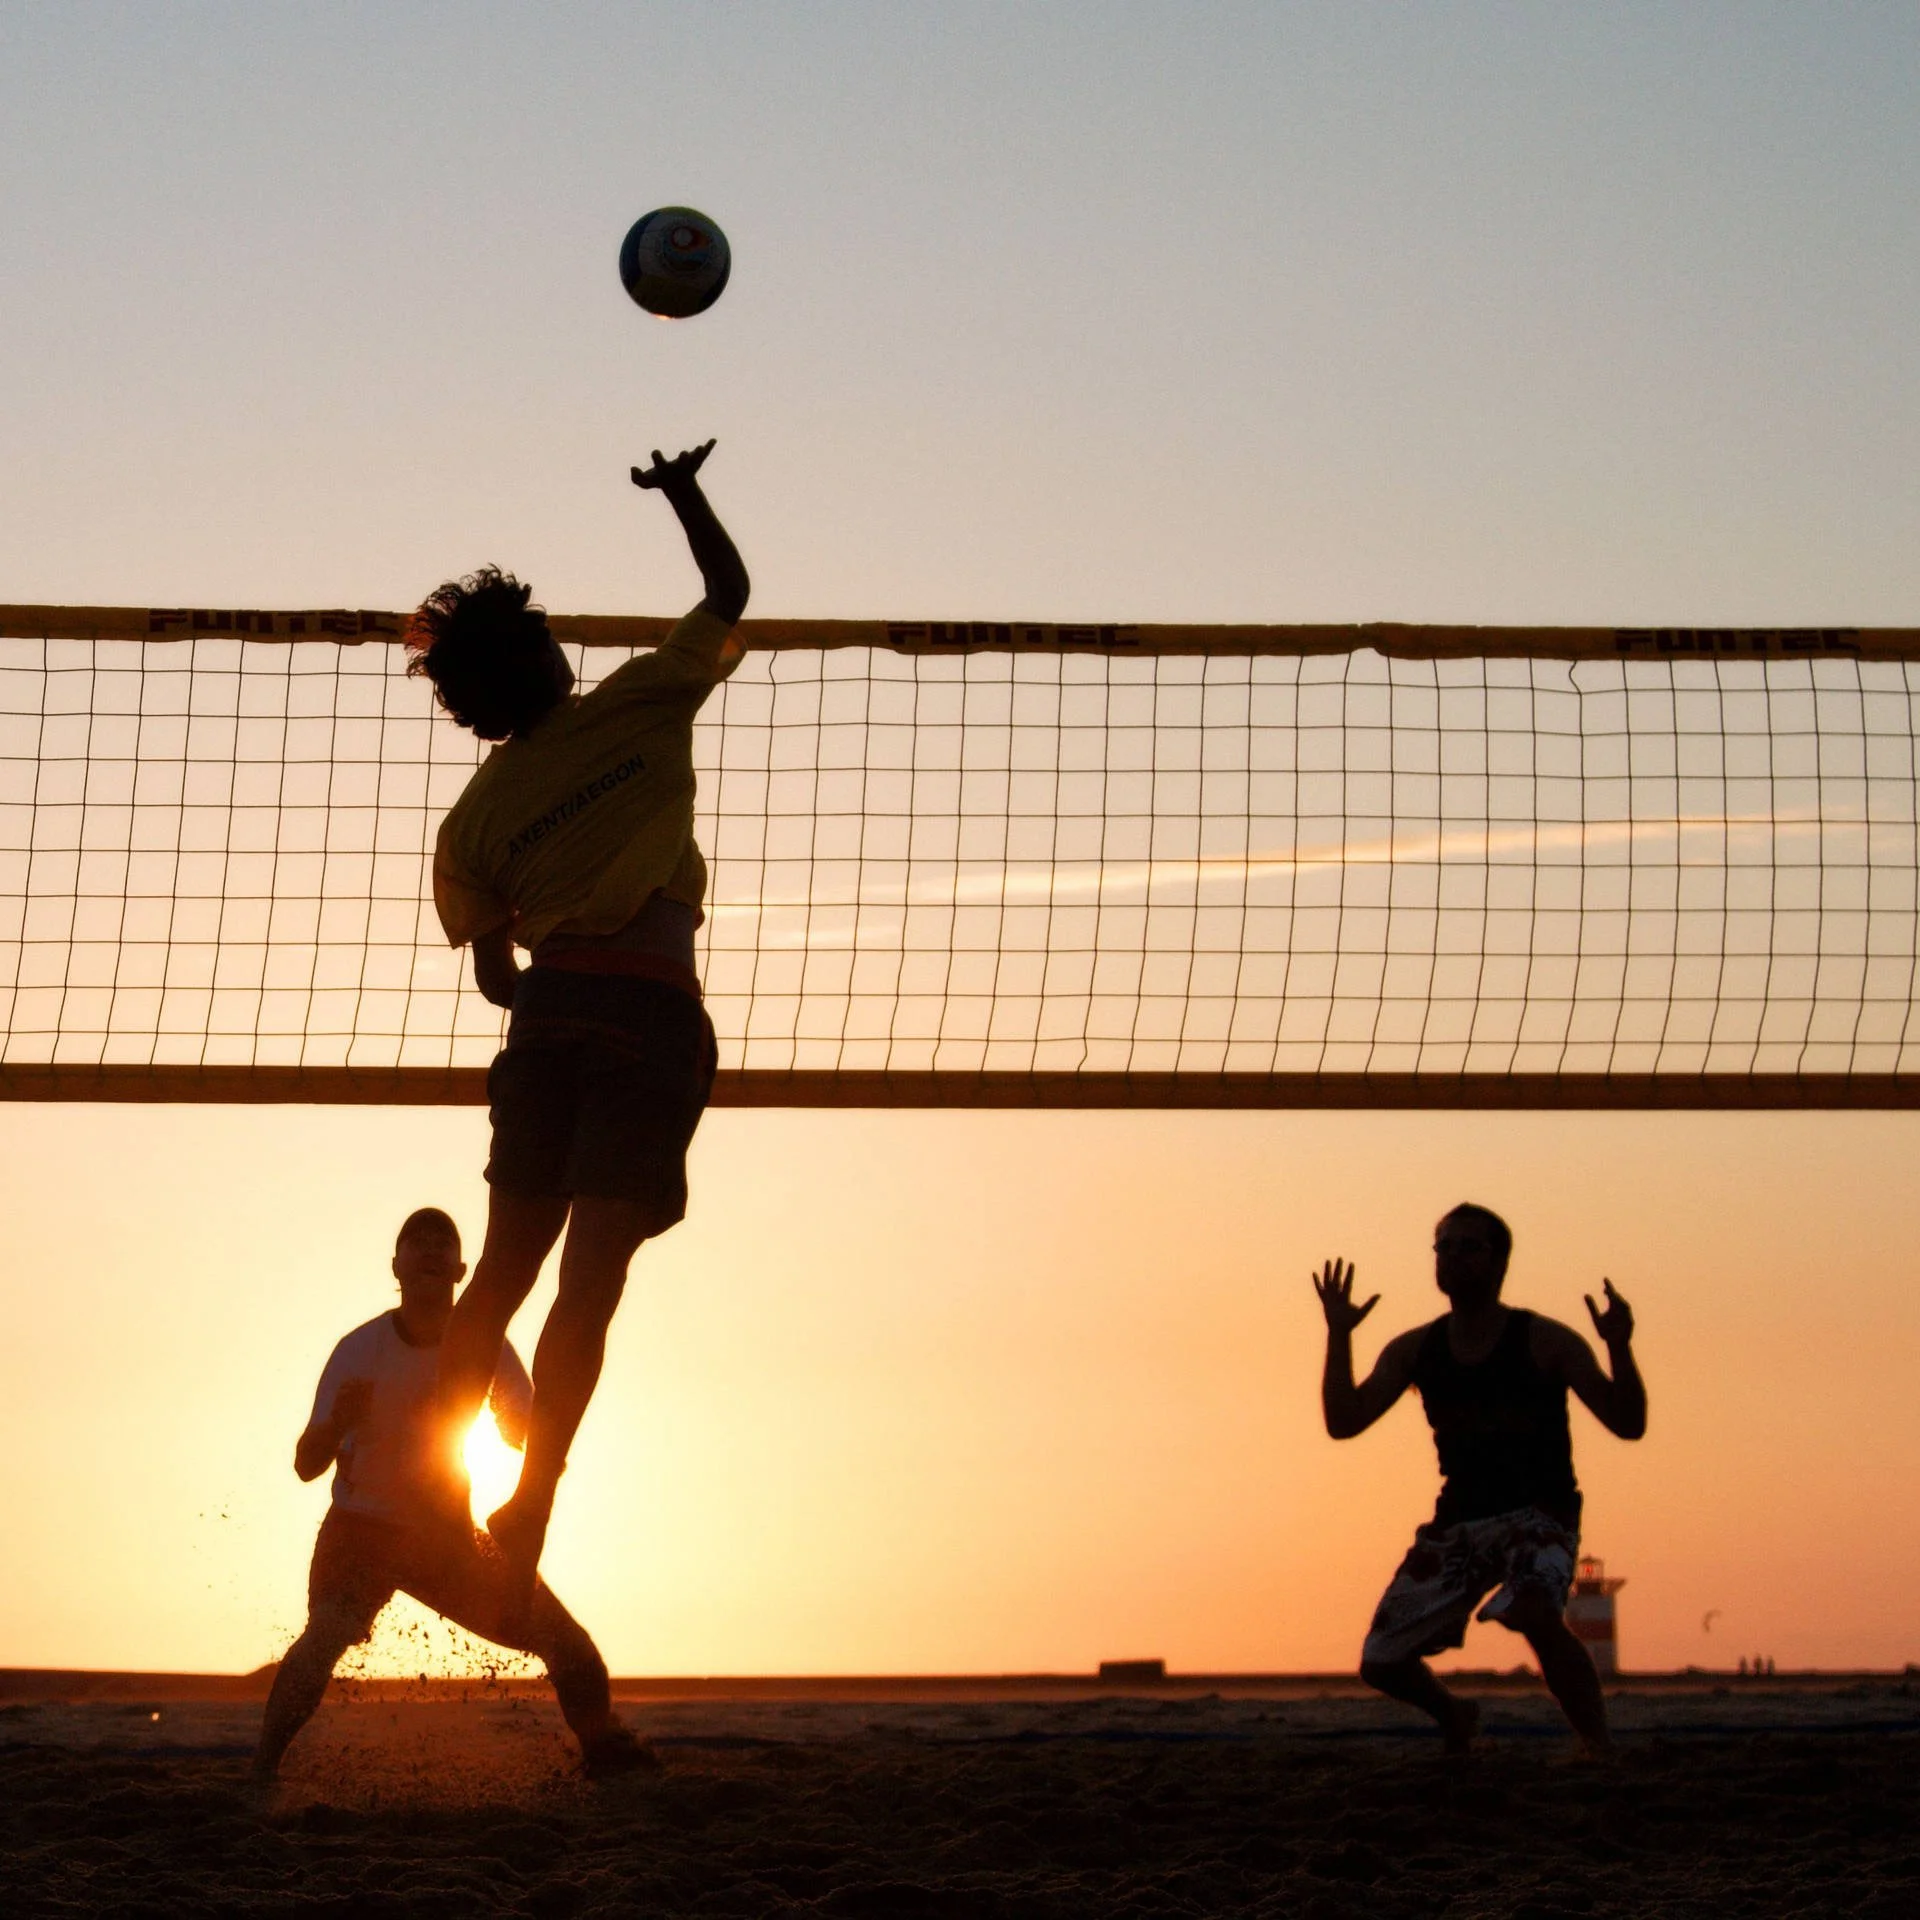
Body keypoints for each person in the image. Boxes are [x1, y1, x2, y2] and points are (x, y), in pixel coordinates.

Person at [406, 441, 749, 1600]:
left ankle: (439, 1490)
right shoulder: (645, 696)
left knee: (500, 1273)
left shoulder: (474, 820)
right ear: (547, 655)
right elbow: (728, 595)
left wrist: (554, 995)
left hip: (552, 1017)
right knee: (587, 1284)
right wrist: (684, 492)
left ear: (469, 707)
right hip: (650, 1013)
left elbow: (496, 978)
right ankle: (537, 1492)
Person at [253, 1208, 647, 1781]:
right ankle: (262, 1775)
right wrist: (336, 1421)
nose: (432, 1250)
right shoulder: (358, 1350)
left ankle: (605, 1763)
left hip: (449, 1540)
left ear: (462, 1268)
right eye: (418, 1242)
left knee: (575, 1653)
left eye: (444, 1243)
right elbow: (305, 1466)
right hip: (361, 1533)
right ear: (397, 1265)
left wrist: (543, 1443)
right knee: (321, 1643)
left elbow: (527, 1433)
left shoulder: (485, 1347)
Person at [1312, 1202, 1647, 1755]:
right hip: (1460, 1521)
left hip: (1540, 1513)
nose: (1452, 1257)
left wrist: (1618, 1344)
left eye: (1469, 1246)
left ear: (1499, 1262)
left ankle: (1600, 1747)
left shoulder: (1545, 1340)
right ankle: (1455, 1714)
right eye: (1443, 1246)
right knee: (1380, 1660)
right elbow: (1344, 1421)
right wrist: (1339, 1334)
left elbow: (1627, 1422)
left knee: (1537, 1611)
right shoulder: (1416, 1348)